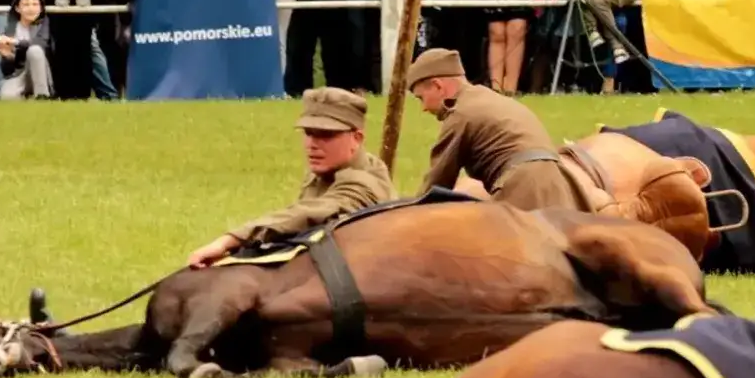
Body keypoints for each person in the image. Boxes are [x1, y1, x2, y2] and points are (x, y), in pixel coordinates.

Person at [186, 88, 397, 268]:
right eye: (309, 132)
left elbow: (306, 213)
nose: (312, 144)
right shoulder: (329, 168)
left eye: (326, 135)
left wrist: (229, 241)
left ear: (357, 138)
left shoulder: (363, 183)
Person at [406, 48, 588, 212]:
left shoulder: (460, 114)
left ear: (438, 86)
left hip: (524, 185)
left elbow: (437, 183)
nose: (423, 108)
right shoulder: (490, 98)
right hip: (559, 181)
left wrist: (406, 215)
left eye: (421, 98)